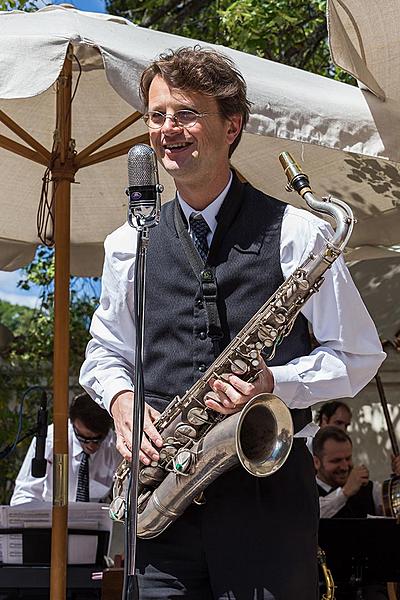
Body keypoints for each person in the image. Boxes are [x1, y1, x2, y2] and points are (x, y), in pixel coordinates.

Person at [80, 47, 385, 599]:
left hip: (267, 511)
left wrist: (275, 383)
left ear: (232, 125)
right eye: (157, 115)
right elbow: (104, 353)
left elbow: (358, 355)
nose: (168, 129)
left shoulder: (298, 231)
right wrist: (124, 404)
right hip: (161, 510)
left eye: (186, 113)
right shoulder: (129, 243)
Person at [10, 392, 121, 505]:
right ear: (73, 424)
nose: (91, 445)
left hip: (96, 515)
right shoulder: (51, 439)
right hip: (51, 513)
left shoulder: (114, 444)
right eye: (84, 438)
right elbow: (24, 495)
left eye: (98, 439)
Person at [313, 426, 400, 518]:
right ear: (316, 462)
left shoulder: (368, 488)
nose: (345, 467)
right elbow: (311, 516)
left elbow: (394, 508)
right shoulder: (305, 491)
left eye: (348, 458)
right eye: (336, 460)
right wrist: (344, 492)